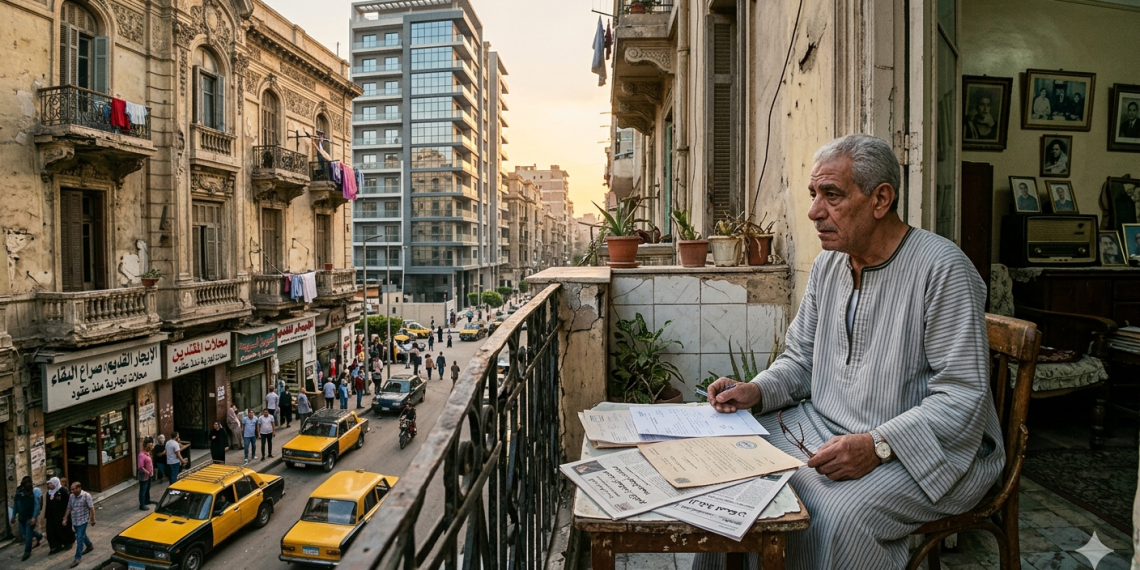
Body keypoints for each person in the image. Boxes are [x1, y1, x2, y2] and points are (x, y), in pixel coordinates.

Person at [695, 135, 1003, 570]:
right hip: (821, 425)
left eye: (832, 195)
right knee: (728, 463)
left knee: (835, 516)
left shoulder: (942, 269)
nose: (814, 211)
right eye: (813, 194)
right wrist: (757, 390)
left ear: (881, 199)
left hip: (926, 450)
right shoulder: (830, 264)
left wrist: (876, 445)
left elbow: (962, 396)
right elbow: (801, 358)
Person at [63, 481, 95, 568]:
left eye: (74, 489)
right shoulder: (71, 496)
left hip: (83, 520)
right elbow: (69, 507)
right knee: (82, 535)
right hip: (75, 521)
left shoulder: (86, 496)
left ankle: (77, 558)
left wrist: (93, 519)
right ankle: (89, 545)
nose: (72, 491)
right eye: (71, 489)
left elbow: (91, 508)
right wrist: (65, 518)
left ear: (79, 488)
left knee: (79, 538)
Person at [12, 476, 43, 560]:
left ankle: (27, 552)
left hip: (30, 517)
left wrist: (34, 517)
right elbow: (16, 505)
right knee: (24, 532)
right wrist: (13, 515)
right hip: (21, 518)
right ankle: (39, 535)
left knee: (28, 536)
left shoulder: (34, 492)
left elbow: (37, 505)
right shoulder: (19, 493)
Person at [45, 477, 73, 554]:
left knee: (64, 529)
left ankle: (68, 543)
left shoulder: (63, 491)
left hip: (62, 514)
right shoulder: (49, 493)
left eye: (51, 483)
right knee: (53, 530)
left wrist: (67, 516)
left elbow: (68, 502)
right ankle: (57, 545)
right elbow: (48, 505)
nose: (49, 485)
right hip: (52, 516)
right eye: (49, 483)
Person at [137, 440, 154, 511]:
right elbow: (140, 466)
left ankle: (147, 500)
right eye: (151, 445)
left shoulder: (148, 453)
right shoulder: (141, 455)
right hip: (144, 475)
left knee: (147, 488)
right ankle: (142, 504)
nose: (152, 447)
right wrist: (147, 472)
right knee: (143, 489)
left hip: (149, 475)